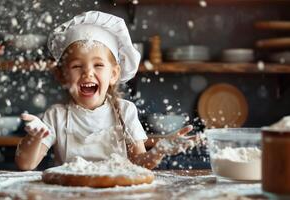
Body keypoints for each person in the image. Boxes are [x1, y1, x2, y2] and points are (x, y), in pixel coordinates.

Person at [15, 11, 197, 171]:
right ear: (62, 75)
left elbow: (140, 164)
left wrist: (159, 150)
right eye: (77, 65)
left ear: (114, 74)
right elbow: (25, 164)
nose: (88, 72)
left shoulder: (125, 112)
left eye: (98, 65)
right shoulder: (56, 116)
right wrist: (35, 138)